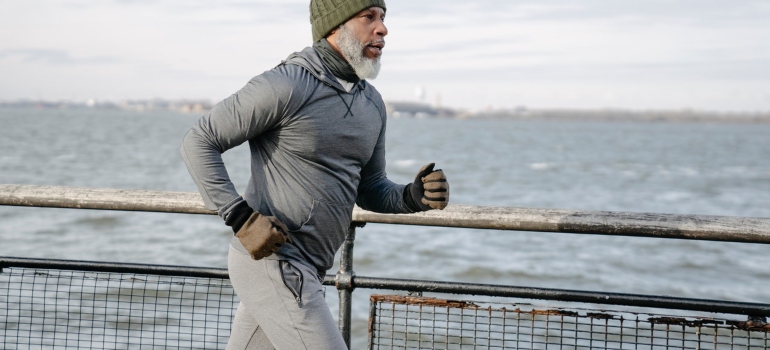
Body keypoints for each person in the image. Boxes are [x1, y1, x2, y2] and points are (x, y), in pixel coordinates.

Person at [179, 0, 449, 348]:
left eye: (383, 18)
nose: (382, 29)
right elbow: (199, 141)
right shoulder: (287, 84)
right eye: (369, 17)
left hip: (312, 269)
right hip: (273, 263)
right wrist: (240, 217)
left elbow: (369, 187)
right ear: (333, 25)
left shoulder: (373, 104)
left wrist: (413, 197)